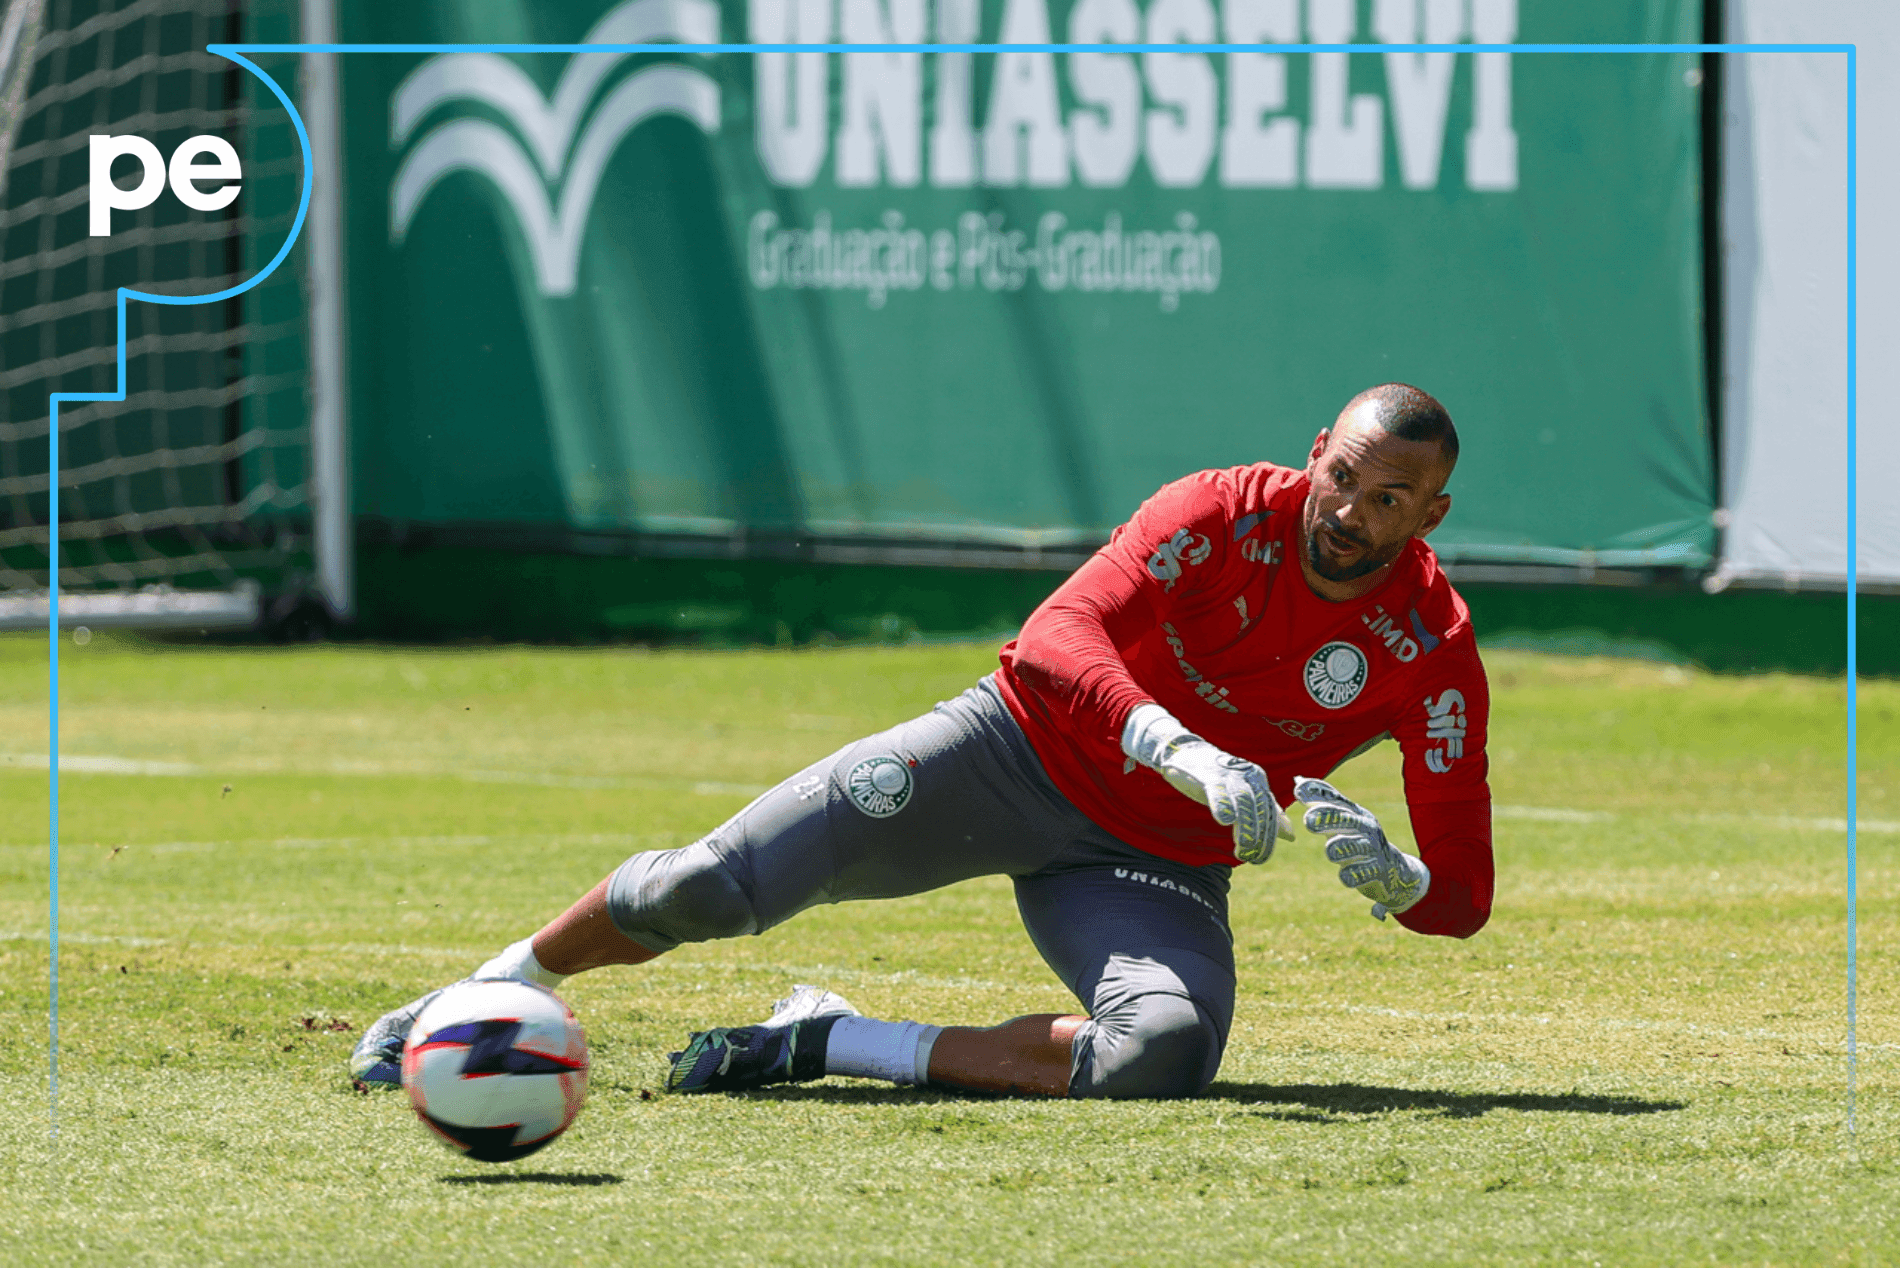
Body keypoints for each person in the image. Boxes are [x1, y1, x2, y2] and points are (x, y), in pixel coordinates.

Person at [351, 382, 1494, 1100]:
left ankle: (826, 1040)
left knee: (1165, 1052)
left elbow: (1463, 896)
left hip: (1148, 859)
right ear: (1315, 451)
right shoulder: (1214, 513)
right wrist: (1176, 748)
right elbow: (1055, 636)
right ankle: (471, 998)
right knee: (709, 886)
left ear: (1430, 514)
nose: (1349, 511)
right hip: (1005, 755)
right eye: (1340, 476)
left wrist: (1402, 883)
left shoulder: (1432, 644)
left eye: (1389, 498)